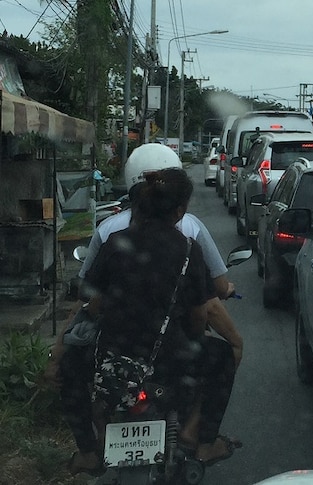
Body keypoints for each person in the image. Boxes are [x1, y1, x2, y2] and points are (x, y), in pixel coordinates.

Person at [46, 145, 241, 474]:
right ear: (179, 211)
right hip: (170, 363)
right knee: (223, 357)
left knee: (69, 369)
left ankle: (88, 451)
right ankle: (202, 440)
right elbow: (199, 316)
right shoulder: (188, 250)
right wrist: (190, 339)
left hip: (111, 360)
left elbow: (91, 304)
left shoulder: (113, 241)